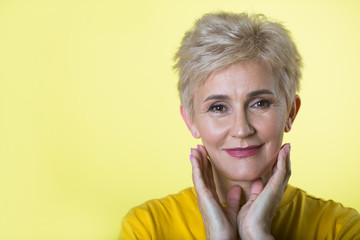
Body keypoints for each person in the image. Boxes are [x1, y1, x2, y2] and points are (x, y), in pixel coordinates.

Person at [120, 12, 360, 239]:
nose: (241, 129)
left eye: (260, 103)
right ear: (191, 121)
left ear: (290, 113)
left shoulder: (342, 228)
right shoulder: (147, 227)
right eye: (218, 107)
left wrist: (257, 234)